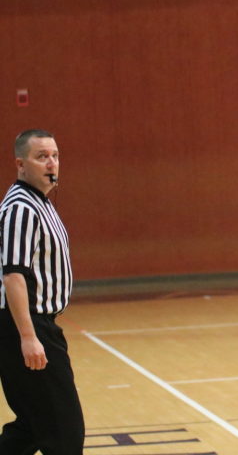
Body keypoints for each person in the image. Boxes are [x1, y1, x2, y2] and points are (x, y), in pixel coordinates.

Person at [0, 129, 84, 454]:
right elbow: (14, 277)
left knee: (32, 429)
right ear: (21, 164)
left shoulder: (40, 203)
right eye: (41, 156)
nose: (51, 163)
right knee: (65, 432)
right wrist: (28, 336)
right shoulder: (22, 208)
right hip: (29, 325)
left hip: (39, 325)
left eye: (55, 155)